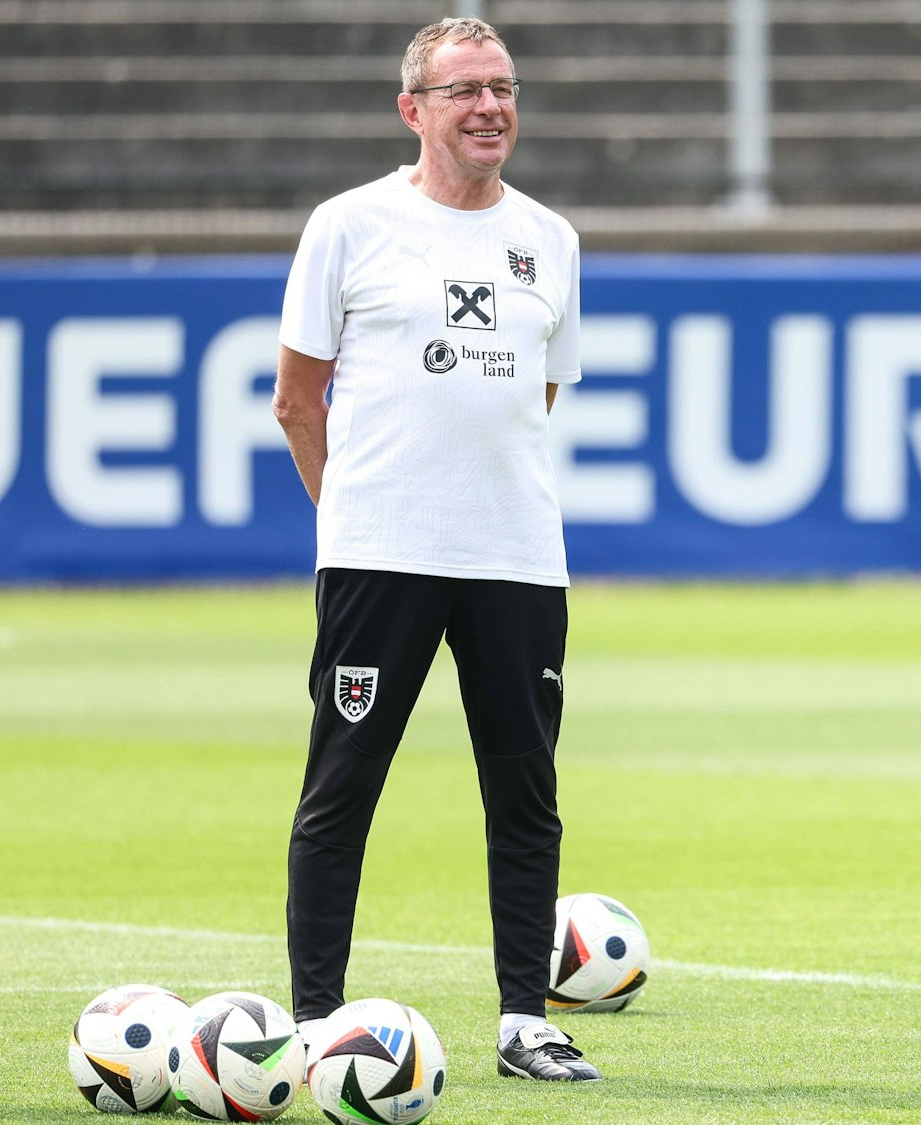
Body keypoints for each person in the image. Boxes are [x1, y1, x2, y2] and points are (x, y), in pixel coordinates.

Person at [271, 16, 599, 1083]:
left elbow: (534, 397)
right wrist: (355, 520)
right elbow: (296, 400)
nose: (490, 106)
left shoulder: (550, 238)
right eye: (465, 90)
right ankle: (317, 1020)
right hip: (380, 558)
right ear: (413, 109)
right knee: (342, 786)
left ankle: (524, 1021)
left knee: (525, 792)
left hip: (516, 558)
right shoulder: (348, 225)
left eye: (503, 87)